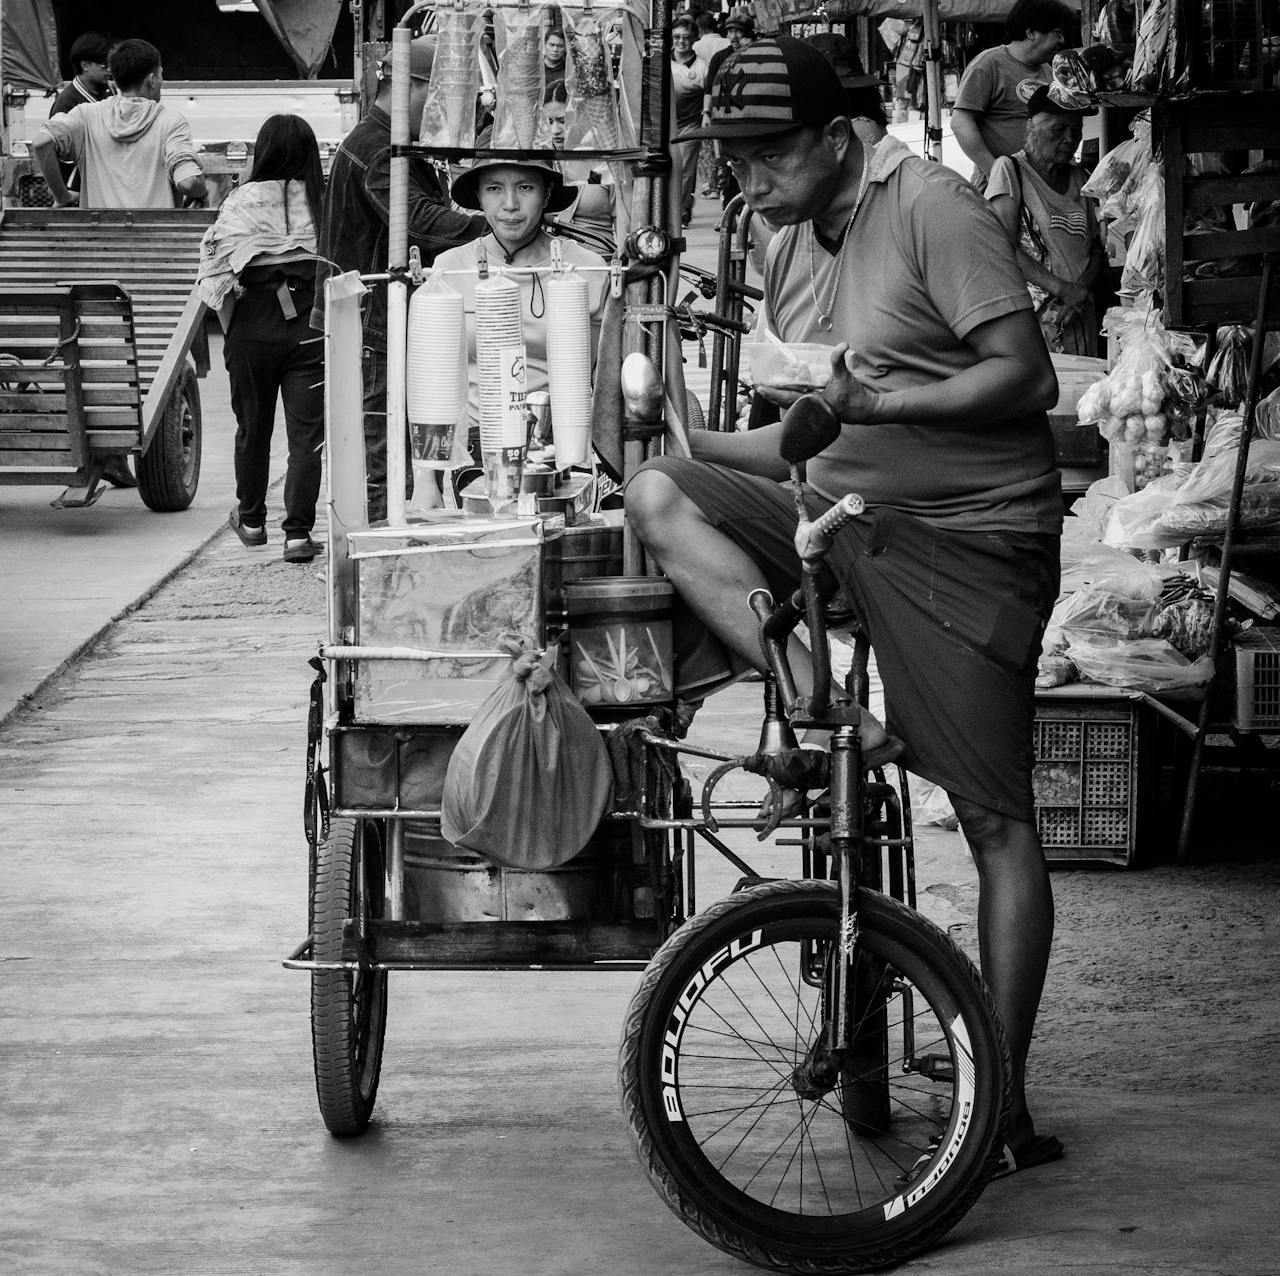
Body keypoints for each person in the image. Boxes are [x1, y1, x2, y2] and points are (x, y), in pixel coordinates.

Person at [626, 35, 1064, 1175]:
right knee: (658, 494)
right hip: (841, 512)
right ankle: (831, 714)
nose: (747, 182)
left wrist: (892, 402)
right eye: (732, 160)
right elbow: (818, 429)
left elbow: (1024, 375)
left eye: (766, 157)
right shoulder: (793, 233)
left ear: (834, 140)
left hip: (968, 538)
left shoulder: (931, 208)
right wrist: (684, 433)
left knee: (993, 820)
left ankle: (998, 1106)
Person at [312, 37, 486, 523]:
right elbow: (419, 221)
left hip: (384, 323)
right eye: (445, 96)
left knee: (401, 453)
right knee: (384, 459)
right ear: (416, 87)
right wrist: (493, 221)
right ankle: (380, 565)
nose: (450, 109)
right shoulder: (378, 150)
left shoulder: (396, 144)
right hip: (372, 326)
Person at [197, 115, 327, 562]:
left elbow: (214, 273)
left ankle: (251, 520)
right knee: (306, 437)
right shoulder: (324, 201)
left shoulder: (239, 201)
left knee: (252, 428)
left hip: (253, 322)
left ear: (264, 150)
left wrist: (237, 329)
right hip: (311, 323)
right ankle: (297, 534)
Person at [432, 157, 609, 439]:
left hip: (567, 439)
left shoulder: (587, 268)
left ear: (547, 193)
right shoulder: (449, 268)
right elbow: (433, 383)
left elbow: (603, 377)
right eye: (494, 189)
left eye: (525, 187)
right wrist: (427, 477)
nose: (510, 204)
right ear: (479, 195)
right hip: (479, 445)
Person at [985, 83, 1105, 356]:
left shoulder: (1081, 177)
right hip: (1034, 319)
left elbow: (1096, 247)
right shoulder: (1010, 170)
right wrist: (1062, 289)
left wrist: (1079, 292)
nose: (1069, 139)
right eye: (1058, 130)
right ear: (1031, 128)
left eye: (1076, 131)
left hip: (1078, 314)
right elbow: (1001, 247)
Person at [32, 38, 206, 210]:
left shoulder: (86, 115)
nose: (161, 80)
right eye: (161, 74)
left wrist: (62, 196)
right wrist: (201, 193)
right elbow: (189, 182)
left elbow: (42, 143)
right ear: (151, 80)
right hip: (155, 236)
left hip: (98, 236)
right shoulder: (170, 122)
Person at [952, 0, 1075, 186]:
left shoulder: (1049, 71)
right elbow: (960, 123)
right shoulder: (989, 64)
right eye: (1057, 33)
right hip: (1000, 188)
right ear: (1031, 32)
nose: (1062, 41)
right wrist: (996, 173)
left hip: (1040, 185)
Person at [703, 5, 755, 208]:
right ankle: (730, 212)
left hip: (750, 118)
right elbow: (709, 89)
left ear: (748, 34)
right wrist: (706, 113)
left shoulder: (757, 53)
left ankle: (750, 215)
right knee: (727, 165)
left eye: (738, 31)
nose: (733, 36)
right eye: (730, 31)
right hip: (724, 117)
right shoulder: (719, 57)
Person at [50, 32, 113, 193]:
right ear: (85, 65)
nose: (110, 71)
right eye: (104, 66)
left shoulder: (108, 91)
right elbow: (58, 153)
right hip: (78, 189)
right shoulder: (67, 102)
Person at [670, 16, 707, 227]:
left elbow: (709, 94)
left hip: (690, 127)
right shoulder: (661, 63)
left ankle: (680, 211)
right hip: (665, 125)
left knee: (684, 171)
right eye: (677, 37)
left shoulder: (703, 68)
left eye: (686, 37)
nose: (681, 41)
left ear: (694, 39)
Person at [542, 27, 568, 108]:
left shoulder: (570, 70)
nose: (555, 49)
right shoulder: (536, 68)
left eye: (560, 46)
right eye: (551, 45)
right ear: (545, 45)